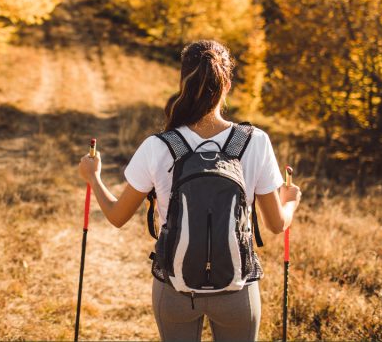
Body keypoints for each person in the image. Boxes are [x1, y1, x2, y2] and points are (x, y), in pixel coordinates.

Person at [78, 39, 302, 341]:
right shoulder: (254, 141)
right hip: (237, 289)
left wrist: (94, 178)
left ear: (183, 81)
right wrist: (289, 203)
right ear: (228, 84)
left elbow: (117, 216)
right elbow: (276, 225)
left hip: (174, 288)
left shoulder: (159, 145)